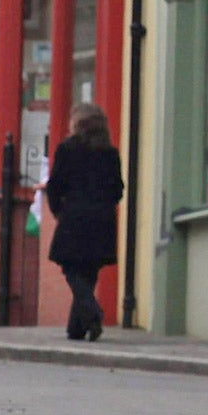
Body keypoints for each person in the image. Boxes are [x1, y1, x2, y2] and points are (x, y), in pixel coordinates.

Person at [43, 102, 123, 342]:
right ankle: (76, 329)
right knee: (88, 270)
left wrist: (58, 210)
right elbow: (118, 189)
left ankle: (93, 312)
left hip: (75, 216)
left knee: (71, 268)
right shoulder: (110, 152)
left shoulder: (67, 149)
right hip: (103, 218)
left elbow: (55, 184)